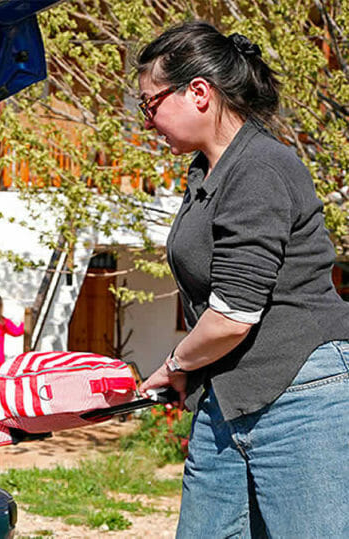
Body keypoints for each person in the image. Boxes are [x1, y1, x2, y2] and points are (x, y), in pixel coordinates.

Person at [135, 21, 349, 537]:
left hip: (302, 395)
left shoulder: (259, 168)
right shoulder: (207, 174)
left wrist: (175, 363)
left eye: (150, 104)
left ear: (200, 93)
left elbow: (233, 315)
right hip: (226, 398)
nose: (147, 122)